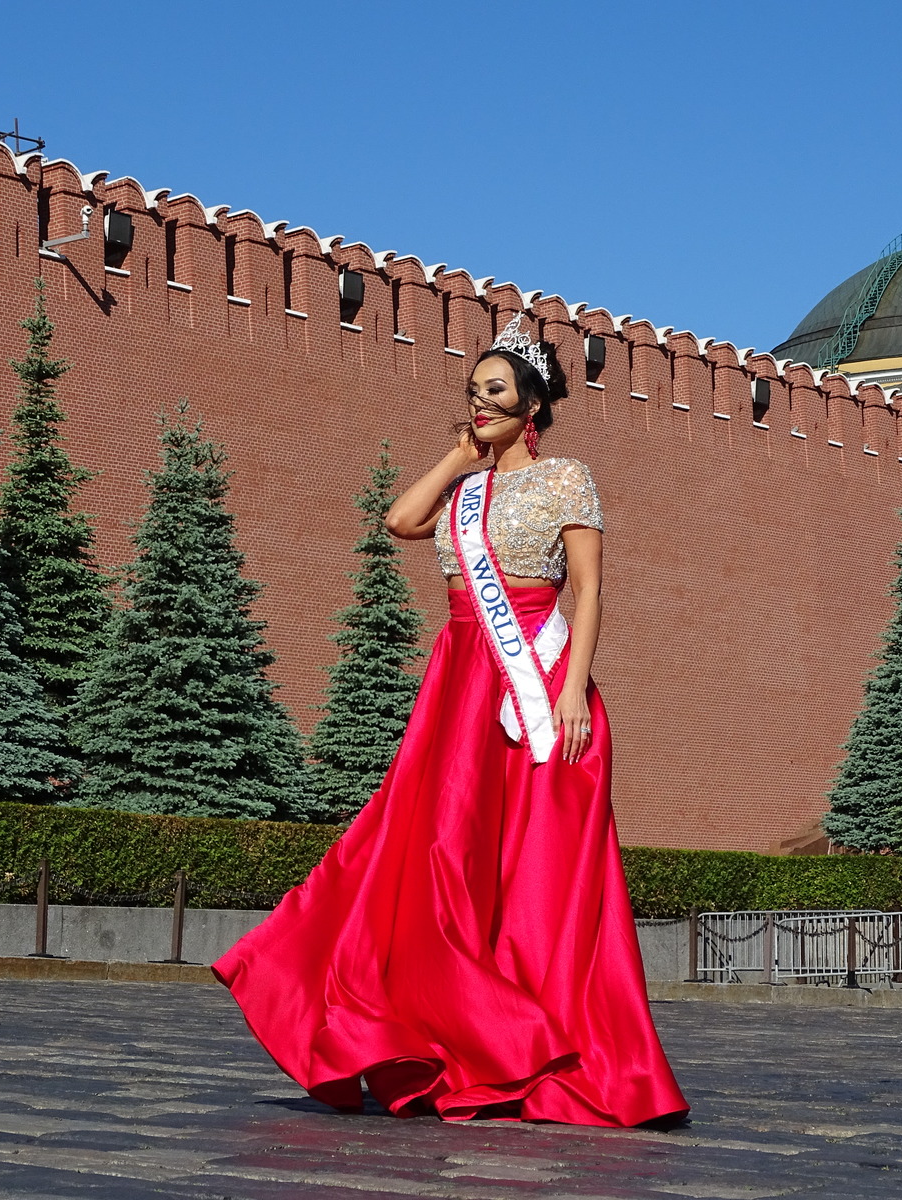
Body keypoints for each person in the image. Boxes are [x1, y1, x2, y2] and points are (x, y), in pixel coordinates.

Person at [213, 315, 689, 1128]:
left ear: (532, 404)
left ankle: (546, 1050)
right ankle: (449, 1040)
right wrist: (459, 457)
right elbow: (400, 521)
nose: (480, 403)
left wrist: (573, 691)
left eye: (495, 392)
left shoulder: (567, 478)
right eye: (472, 393)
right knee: (428, 852)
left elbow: (589, 591)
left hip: (535, 688)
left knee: (537, 876)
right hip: (457, 682)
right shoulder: (465, 491)